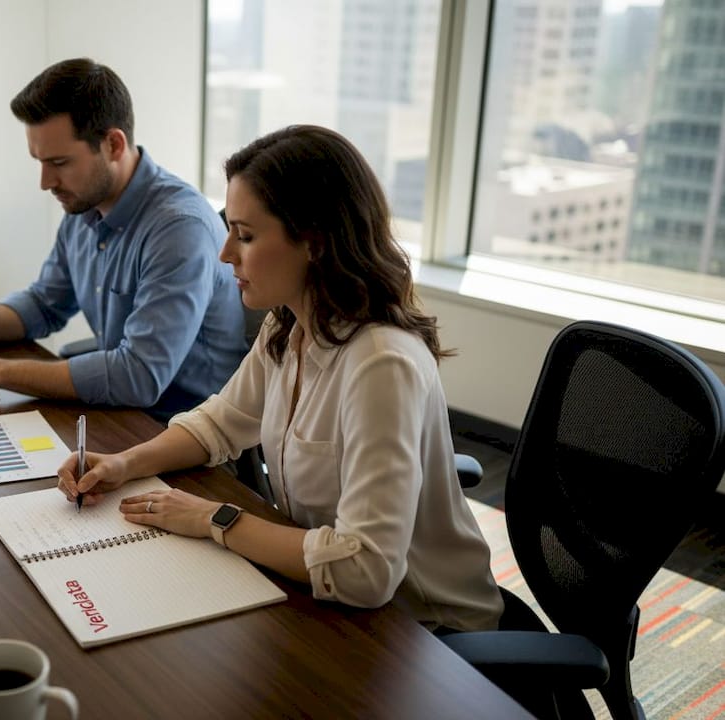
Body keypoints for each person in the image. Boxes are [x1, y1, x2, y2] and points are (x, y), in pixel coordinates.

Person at [58, 125, 504, 632]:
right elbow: (222, 424)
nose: (226, 253)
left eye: (245, 235)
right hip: (331, 605)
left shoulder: (382, 365)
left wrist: (211, 517)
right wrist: (122, 463)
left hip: (425, 632)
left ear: (313, 242)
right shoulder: (290, 322)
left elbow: (366, 571)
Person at [0, 58, 247, 421]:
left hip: (189, 439)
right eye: (39, 161)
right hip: (121, 417)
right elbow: (44, 304)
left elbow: (139, 376)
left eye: (59, 163)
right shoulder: (86, 206)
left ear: (113, 144)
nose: (45, 182)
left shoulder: (179, 229)